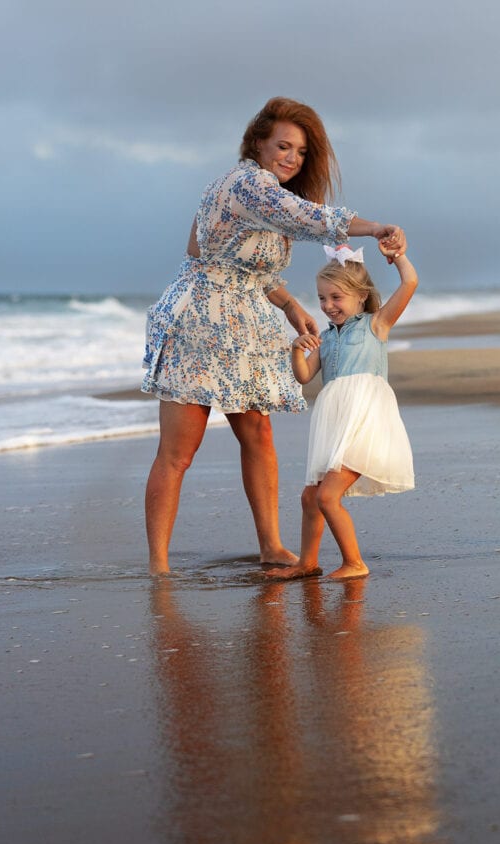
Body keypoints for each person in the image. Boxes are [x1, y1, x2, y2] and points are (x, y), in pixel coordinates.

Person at [141, 96, 405, 575]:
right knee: (180, 450)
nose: (292, 158)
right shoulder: (248, 183)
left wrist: (287, 303)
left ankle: (271, 546)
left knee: (258, 433)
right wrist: (376, 227)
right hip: (201, 324)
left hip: (244, 326)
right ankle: (158, 566)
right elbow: (307, 220)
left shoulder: (255, 190)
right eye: (284, 146)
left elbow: (219, 250)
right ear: (257, 143)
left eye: (301, 152)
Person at [267, 238, 418, 582]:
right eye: (322, 298)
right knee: (311, 497)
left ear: (361, 296)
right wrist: (296, 349)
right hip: (334, 424)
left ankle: (355, 562)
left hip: (363, 422)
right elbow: (304, 376)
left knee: (328, 496)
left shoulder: (375, 325)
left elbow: (409, 283)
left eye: (336, 297)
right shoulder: (327, 337)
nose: (328, 305)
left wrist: (399, 257)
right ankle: (308, 562)